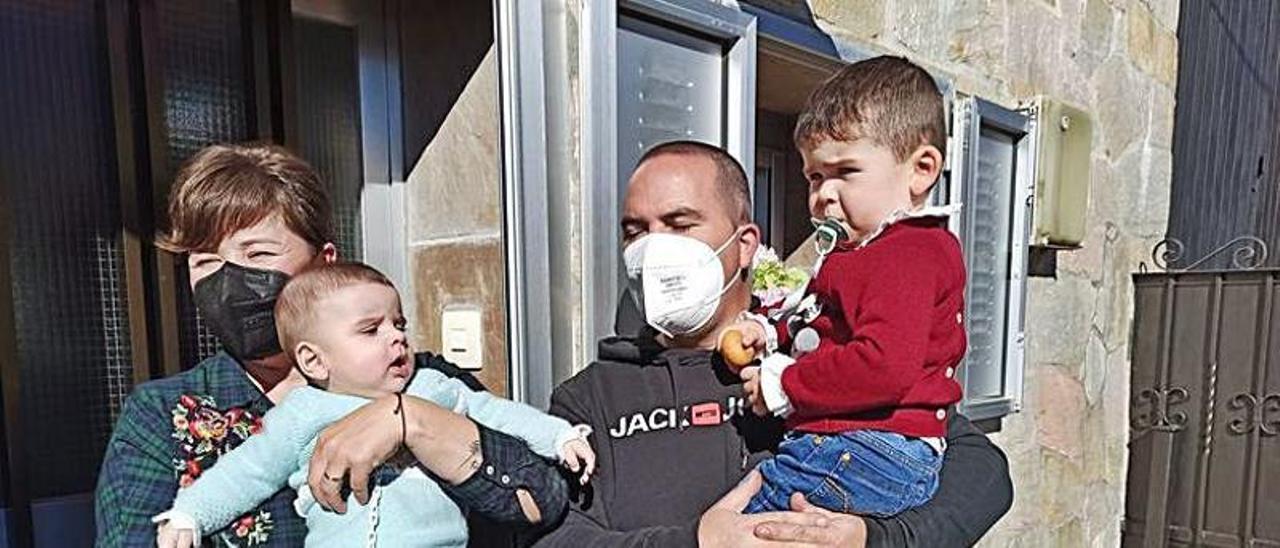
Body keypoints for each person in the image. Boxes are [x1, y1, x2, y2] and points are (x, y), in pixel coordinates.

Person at [532, 140, 1012, 547]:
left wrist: (875, 539)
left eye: (680, 224)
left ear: (744, 244)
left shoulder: (821, 357)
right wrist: (697, 542)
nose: (652, 249)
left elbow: (984, 476)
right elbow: (553, 533)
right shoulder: (590, 397)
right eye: (635, 231)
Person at [96, 144, 567, 546]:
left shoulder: (419, 378)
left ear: (323, 263)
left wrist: (411, 420)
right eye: (204, 263)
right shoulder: (163, 417)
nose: (228, 281)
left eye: (257, 253)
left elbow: (542, 498)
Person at [153, 262, 594, 547]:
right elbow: (247, 470)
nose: (397, 336)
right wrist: (191, 514)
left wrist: (558, 436)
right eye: (371, 330)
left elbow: (497, 414)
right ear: (314, 360)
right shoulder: (301, 413)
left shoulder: (433, 388)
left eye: (398, 323)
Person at [725, 55, 964, 517]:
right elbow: (822, 320)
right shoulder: (859, 252)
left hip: (871, 447)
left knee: (749, 524)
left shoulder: (908, 251)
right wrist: (772, 334)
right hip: (861, 445)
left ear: (921, 169)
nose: (823, 195)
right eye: (815, 176)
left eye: (846, 172)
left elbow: (882, 365)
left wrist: (786, 383)